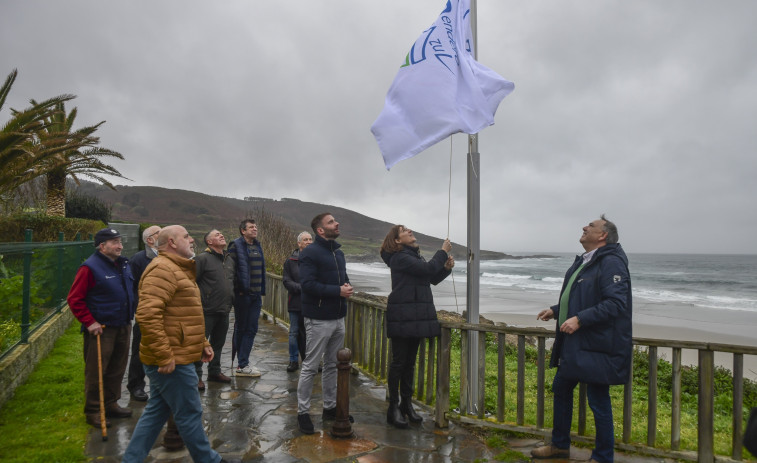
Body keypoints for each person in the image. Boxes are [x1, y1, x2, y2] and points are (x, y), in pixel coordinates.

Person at [122, 225, 229, 463]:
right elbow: (148, 315)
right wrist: (164, 355)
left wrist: (201, 341)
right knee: (190, 413)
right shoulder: (163, 270)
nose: (192, 240)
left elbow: (182, 314)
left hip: (178, 354)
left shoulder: (178, 268)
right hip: (173, 360)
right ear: (171, 242)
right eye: (186, 236)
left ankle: (131, 459)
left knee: (155, 413)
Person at [531, 215, 632, 463]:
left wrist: (580, 319)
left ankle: (603, 457)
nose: (584, 227)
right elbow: (582, 296)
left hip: (598, 345)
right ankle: (560, 446)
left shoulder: (611, 263)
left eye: (591, 226)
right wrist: (557, 310)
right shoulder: (587, 261)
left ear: (603, 235)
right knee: (561, 388)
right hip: (578, 344)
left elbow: (616, 303)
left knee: (598, 399)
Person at [379, 225, 454, 429]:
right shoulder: (400, 257)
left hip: (415, 316)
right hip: (403, 315)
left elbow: (430, 278)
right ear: (397, 240)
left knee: (409, 363)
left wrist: (445, 268)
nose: (410, 230)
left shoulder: (412, 256)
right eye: (405, 230)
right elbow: (428, 269)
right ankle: (393, 408)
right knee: (399, 362)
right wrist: (442, 251)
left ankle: (406, 404)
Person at [67, 228, 135, 428]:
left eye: (120, 241)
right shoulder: (89, 267)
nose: (120, 246)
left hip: (123, 324)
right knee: (97, 371)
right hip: (102, 329)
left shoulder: (123, 265)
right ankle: (94, 411)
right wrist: (89, 322)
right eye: (115, 242)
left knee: (117, 368)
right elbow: (74, 299)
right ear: (102, 245)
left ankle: (111, 403)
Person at [296, 213, 353, 434]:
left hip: (339, 317)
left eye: (335, 220)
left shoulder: (338, 254)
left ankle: (330, 407)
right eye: (331, 222)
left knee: (332, 365)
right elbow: (308, 285)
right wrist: (338, 291)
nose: (336, 223)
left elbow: (343, 279)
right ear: (320, 230)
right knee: (311, 366)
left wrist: (347, 287)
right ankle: (303, 412)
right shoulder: (310, 253)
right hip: (318, 319)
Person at [194, 229, 235, 389]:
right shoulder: (202, 259)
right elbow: (192, 282)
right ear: (209, 242)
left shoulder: (229, 259)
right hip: (206, 310)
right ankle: (197, 377)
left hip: (224, 309)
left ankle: (214, 371)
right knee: (200, 345)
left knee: (218, 343)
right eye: (217, 235)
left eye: (221, 234)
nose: (221, 235)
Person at [126, 225, 161, 402]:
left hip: (164, 314)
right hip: (146, 314)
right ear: (150, 240)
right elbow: (131, 287)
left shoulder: (168, 257)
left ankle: (160, 386)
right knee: (140, 350)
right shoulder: (138, 259)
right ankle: (136, 385)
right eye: (159, 233)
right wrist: (139, 308)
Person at [228, 219, 266, 377]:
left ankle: (243, 363)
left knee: (252, 329)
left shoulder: (257, 245)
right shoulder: (235, 245)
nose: (255, 229)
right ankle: (242, 364)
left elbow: (262, 270)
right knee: (242, 328)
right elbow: (231, 271)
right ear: (243, 230)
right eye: (251, 227)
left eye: (256, 227)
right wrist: (240, 290)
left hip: (256, 296)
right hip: (243, 295)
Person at [282, 231, 312, 372]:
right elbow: (286, 281)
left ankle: (309, 361)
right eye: (305, 240)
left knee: (310, 334)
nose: (308, 241)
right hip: (295, 302)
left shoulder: (316, 260)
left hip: (311, 304)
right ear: (299, 243)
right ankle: (293, 360)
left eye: (310, 239)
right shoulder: (290, 261)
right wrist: (302, 288)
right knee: (294, 333)